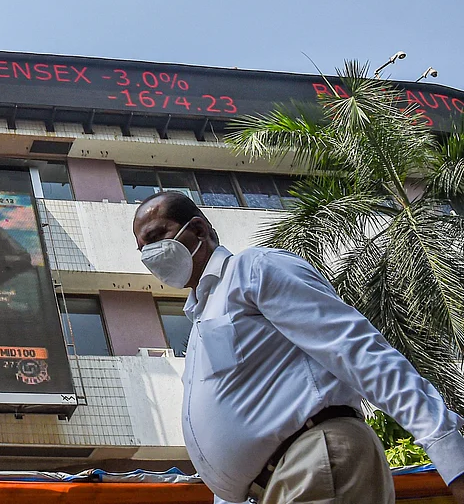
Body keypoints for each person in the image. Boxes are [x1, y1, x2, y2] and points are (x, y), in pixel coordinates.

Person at [132, 191, 464, 504]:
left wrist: (448, 450)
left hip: (314, 461)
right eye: (142, 247)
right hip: (277, 486)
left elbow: (353, 348)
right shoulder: (200, 322)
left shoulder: (253, 269)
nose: (150, 253)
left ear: (199, 229)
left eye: (156, 236)